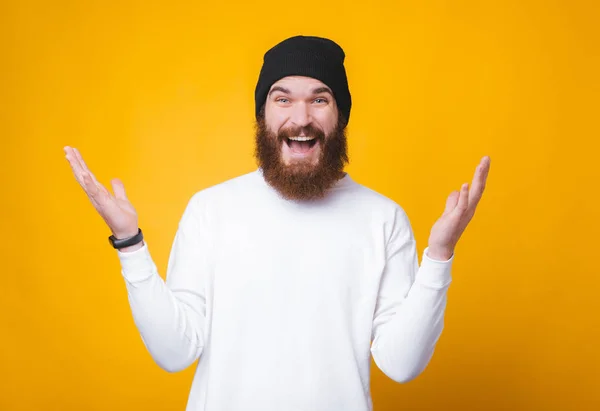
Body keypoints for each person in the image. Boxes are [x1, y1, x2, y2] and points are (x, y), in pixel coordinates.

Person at [64, 35, 490, 411]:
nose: (300, 118)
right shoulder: (212, 209)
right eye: (282, 99)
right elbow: (175, 351)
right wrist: (130, 243)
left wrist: (438, 256)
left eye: (320, 99)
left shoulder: (383, 218)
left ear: (340, 116)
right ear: (262, 116)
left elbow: (401, 365)